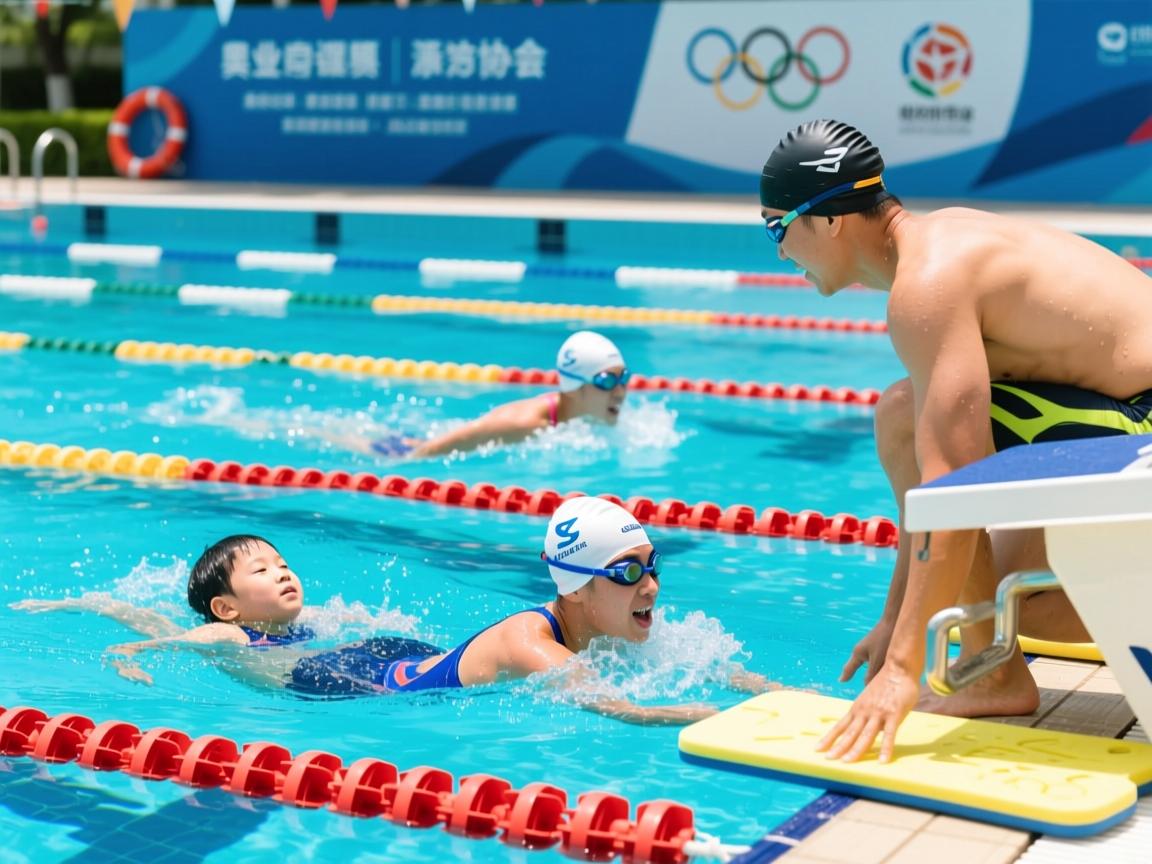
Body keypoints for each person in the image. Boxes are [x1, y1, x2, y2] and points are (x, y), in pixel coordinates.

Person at [757, 118, 1152, 762]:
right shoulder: (940, 244)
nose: (778, 252)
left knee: (901, 413)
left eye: (777, 227)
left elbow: (954, 489)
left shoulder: (928, 285)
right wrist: (894, 621)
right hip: (1134, 409)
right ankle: (995, 667)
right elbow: (937, 481)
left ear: (828, 220)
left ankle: (994, 674)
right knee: (1023, 599)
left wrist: (902, 669)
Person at [14, 497, 775, 724]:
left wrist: (765, 691)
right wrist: (132, 652)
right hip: (342, 682)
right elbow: (622, 709)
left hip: (393, 654)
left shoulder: (601, 615)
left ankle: (102, 604)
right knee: (247, 654)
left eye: (652, 566)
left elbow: (700, 658)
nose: (652, 587)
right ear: (577, 587)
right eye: (629, 572)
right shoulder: (531, 642)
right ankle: (103, 608)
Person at [348, 330, 631, 459]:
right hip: (409, 449)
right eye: (607, 381)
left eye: (624, 378)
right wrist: (404, 459)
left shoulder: (585, 415)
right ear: (575, 386)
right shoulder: (523, 424)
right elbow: (432, 451)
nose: (620, 391)